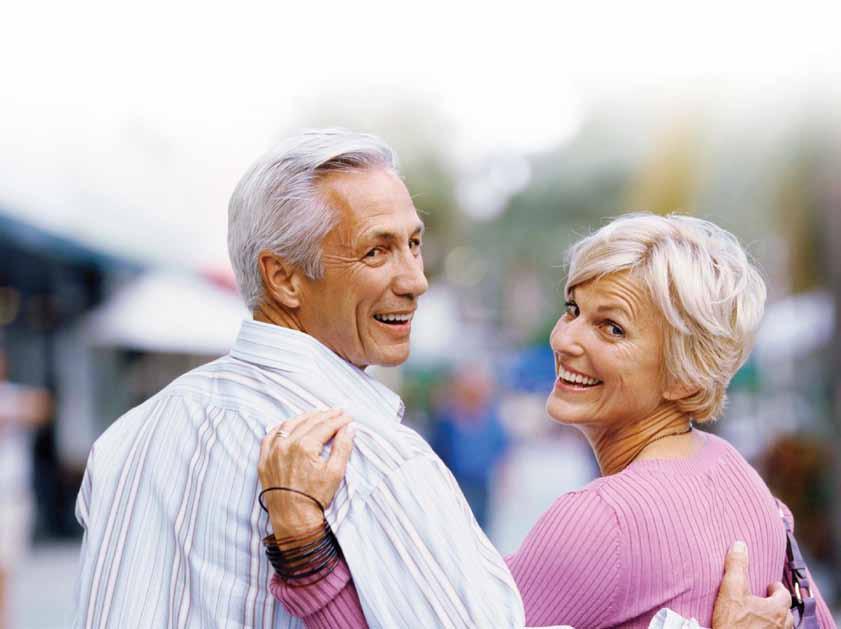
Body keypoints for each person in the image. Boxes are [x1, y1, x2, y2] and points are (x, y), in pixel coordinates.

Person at [75, 129, 791, 629]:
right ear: (284, 278)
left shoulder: (126, 438)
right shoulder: (371, 459)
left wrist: (307, 554)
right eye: (377, 250)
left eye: (414, 244)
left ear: (684, 372)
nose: (416, 279)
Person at [259, 213, 829, 627]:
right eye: (573, 309)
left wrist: (305, 548)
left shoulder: (603, 521)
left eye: (612, 328)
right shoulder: (734, 472)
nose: (565, 339)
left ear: (685, 375)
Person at [0, 349, 51, 629]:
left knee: (4, 568)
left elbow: (43, 407)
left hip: (10, 495)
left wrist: (12, 413)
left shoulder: (13, 395)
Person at [431, 363, 509, 529]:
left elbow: (501, 452)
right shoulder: (447, 420)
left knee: (480, 528)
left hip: (481, 485)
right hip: (454, 484)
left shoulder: (492, 420)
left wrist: (504, 480)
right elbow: (436, 452)